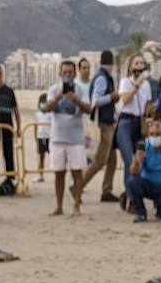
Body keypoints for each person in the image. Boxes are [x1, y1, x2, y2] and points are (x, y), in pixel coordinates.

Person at [45, 59, 92, 217]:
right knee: (59, 174)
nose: (67, 76)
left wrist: (75, 99)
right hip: (57, 137)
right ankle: (59, 206)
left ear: (75, 74)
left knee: (77, 173)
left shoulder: (81, 90)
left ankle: (76, 206)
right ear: (59, 74)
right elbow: (46, 108)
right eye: (64, 72)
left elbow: (88, 109)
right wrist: (58, 97)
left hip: (76, 138)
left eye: (70, 73)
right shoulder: (53, 89)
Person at [80, 50, 119, 202]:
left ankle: (107, 190)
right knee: (100, 160)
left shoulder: (102, 77)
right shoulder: (102, 79)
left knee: (112, 159)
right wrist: (112, 96)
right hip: (104, 123)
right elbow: (96, 101)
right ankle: (79, 185)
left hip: (109, 121)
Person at [116, 54, 153, 191]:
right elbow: (125, 99)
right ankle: (130, 195)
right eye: (136, 63)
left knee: (140, 160)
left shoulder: (147, 85)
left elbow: (146, 106)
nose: (139, 66)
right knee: (129, 161)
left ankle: (136, 193)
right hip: (126, 123)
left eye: (142, 63)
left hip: (140, 123)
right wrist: (137, 85)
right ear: (130, 66)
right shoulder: (125, 81)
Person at [0, 65, 22, 190]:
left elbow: (16, 110)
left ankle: (10, 178)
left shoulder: (9, 91)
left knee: (8, 153)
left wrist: (19, 127)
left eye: (0, 74)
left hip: (8, 125)